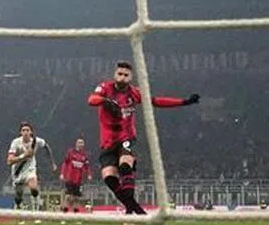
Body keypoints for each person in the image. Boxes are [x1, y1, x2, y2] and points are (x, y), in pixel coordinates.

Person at [88, 61, 199, 215]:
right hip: (107, 140)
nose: (122, 78)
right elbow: (91, 99)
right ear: (115, 75)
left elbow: (156, 101)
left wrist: (184, 102)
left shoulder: (135, 93)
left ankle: (132, 211)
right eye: (119, 74)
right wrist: (105, 101)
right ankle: (135, 208)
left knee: (125, 166)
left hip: (125, 136)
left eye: (126, 75)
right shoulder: (105, 88)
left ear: (131, 77)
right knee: (109, 178)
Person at [6, 122, 55, 212]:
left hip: (30, 169)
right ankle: (18, 206)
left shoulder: (37, 141)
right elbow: (9, 161)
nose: (25, 132)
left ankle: (37, 210)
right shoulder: (16, 143)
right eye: (23, 130)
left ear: (31, 132)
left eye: (27, 130)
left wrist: (52, 162)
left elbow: (46, 147)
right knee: (18, 196)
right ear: (20, 133)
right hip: (18, 171)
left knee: (33, 188)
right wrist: (24, 156)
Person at [59, 137, 92, 213]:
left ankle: (75, 215)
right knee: (69, 197)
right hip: (69, 177)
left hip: (79, 179)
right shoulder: (71, 152)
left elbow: (87, 166)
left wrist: (89, 174)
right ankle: (63, 213)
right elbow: (65, 163)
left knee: (77, 197)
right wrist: (62, 173)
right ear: (76, 144)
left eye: (82, 143)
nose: (81, 144)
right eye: (79, 143)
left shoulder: (84, 155)